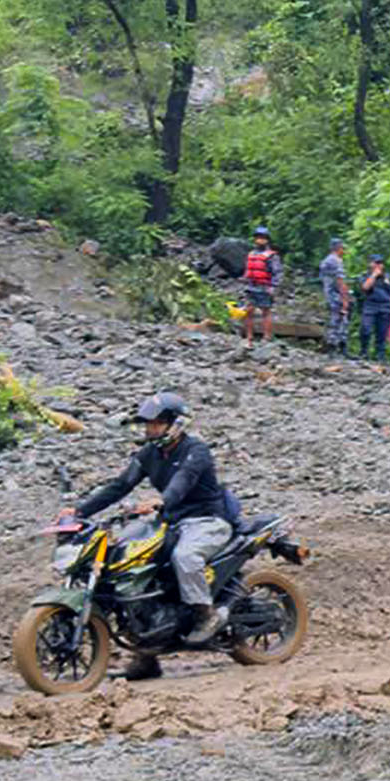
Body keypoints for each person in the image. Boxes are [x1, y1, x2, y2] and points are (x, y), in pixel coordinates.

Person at [75, 392, 236, 673]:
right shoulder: (148, 453)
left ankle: (205, 614)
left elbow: (181, 482)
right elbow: (120, 485)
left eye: (156, 423)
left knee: (185, 557)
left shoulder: (195, 450)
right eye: (148, 424)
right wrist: (78, 512)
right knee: (129, 565)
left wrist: (159, 501)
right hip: (170, 521)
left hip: (207, 521)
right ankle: (146, 653)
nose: (150, 429)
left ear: (175, 423)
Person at [239, 227, 281, 348]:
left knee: (266, 312)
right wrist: (244, 280)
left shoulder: (272, 256)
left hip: (265, 287)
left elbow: (277, 272)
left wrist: (273, 287)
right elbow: (247, 270)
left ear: (267, 240)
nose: (260, 240)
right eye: (258, 237)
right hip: (251, 286)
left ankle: (266, 337)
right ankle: (249, 337)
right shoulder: (251, 254)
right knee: (249, 311)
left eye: (262, 238)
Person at [356, 255, 390, 364]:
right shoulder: (365, 275)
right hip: (370, 305)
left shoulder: (387, 277)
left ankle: (380, 355)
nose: (379, 265)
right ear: (371, 263)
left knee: (382, 332)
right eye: (376, 262)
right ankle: (364, 352)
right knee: (366, 329)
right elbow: (365, 287)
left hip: (385, 306)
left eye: (381, 263)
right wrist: (374, 275)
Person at [318, 240, 350, 354]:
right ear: (339, 248)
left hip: (329, 294)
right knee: (339, 320)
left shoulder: (326, 261)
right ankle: (335, 347)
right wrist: (345, 298)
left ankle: (337, 346)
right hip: (335, 295)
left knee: (337, 319)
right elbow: (340, 281)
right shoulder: (335, 261)